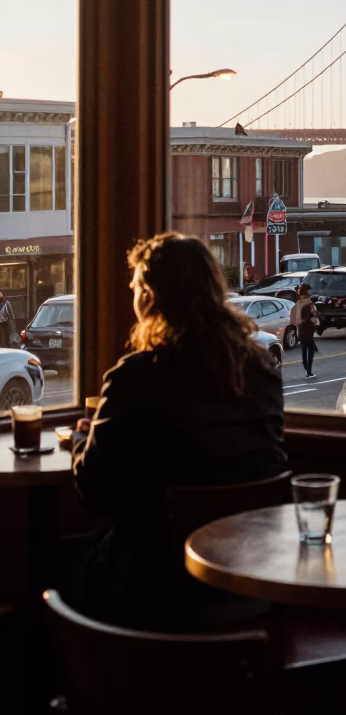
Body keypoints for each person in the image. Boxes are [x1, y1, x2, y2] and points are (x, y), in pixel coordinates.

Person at [68, 233, 287, 630]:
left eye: (135, 287)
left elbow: (94, 494)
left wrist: (84, 438)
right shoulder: (261, 372)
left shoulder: (135, 376)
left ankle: (85, 685)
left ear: (149, 296)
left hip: (155, 589)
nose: (132, 298)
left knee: (51, 559)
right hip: (253, 581)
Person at [298, 301, 318, 378]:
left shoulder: (299, 307)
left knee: (304, 350)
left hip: (301, 332)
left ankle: (306, 370)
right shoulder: (310, 307)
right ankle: (309, 372)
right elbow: (314, 319)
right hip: (308, 333)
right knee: (311, 350)